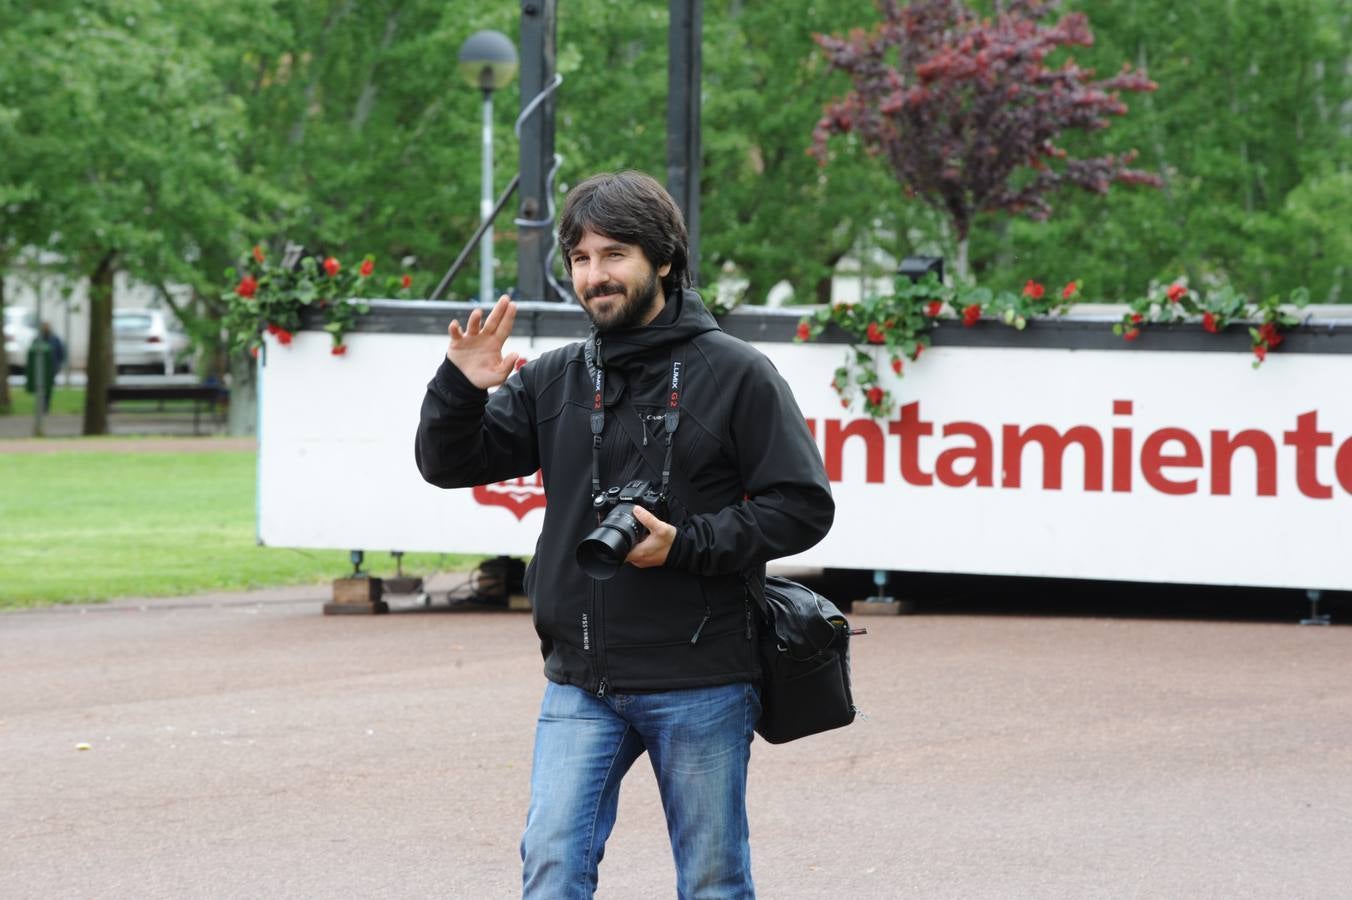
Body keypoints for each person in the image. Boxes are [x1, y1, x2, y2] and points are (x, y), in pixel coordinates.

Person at [415, 170, 833, 900]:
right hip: (583, 677)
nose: (594, 276)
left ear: (664, 259)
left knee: (712, 881)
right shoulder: (556, 378)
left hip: (702, 676)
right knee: (551, 866)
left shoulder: (737, 374)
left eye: (614, 255)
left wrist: (686, 543)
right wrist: (460, 388)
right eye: (579, 259)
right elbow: (448, 463)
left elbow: (802, 506)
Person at [25, 322, 64, 413]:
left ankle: (46, 407)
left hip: (52, 368)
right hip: (40, 368)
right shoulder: (37, 339)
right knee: (39, 386)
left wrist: (58, 365)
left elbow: (60, 353)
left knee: (48, 388)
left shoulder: (55, 339)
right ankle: (40, 406)